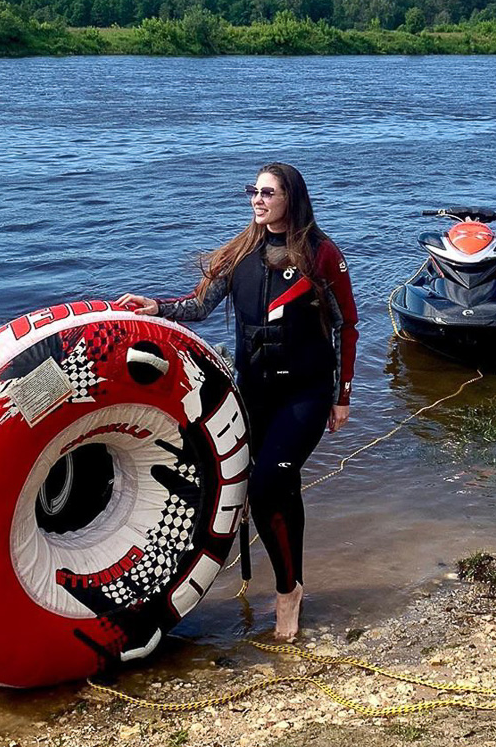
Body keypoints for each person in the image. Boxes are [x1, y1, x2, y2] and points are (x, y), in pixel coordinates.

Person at [118, 162, 358, 641]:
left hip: (306, 393)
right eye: (254, 191)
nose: (257, 199)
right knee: (278, 489)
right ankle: (292, 583)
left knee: (267, 488)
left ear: (291, 197)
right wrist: (157, 309)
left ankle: (288, 593)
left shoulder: (321, 253)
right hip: (253, 392)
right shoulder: (242, 252)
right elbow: (199, 306)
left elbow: (347, 324)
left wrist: (342, 394)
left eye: (268, 192)